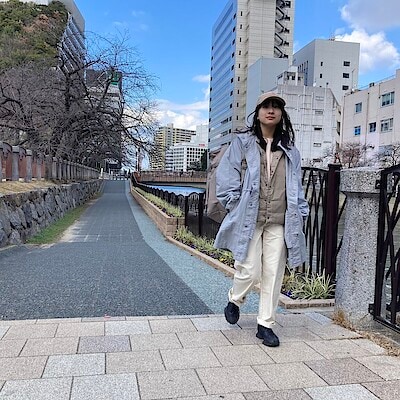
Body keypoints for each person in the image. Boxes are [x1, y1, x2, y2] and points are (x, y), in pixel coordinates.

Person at [214, 92, 309, 347]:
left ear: (281, 114)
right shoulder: (243, 143)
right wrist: (235, 204)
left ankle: (265, 324)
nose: (271, 110)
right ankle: (235, 299)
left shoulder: (290, 150)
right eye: (266, 106)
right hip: (250, 218)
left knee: (273, 274)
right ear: (257, 113)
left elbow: (296, 186)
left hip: (280, 220)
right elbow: (227, 176)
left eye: (276, 107)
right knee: (249, 269)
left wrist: (301, 211)